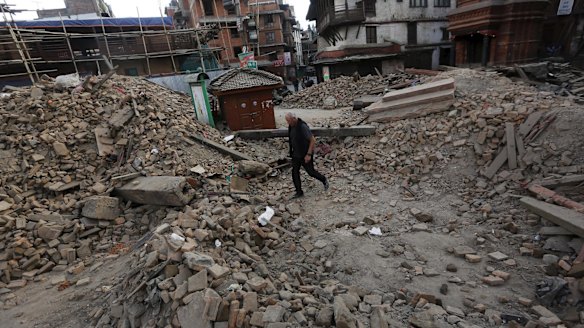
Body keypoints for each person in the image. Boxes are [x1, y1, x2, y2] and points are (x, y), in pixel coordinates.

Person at [286, 112, 329, 199]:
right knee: (295, 173)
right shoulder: (291, 126)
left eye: (289, 121)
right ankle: (299, 192)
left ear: (294, 119)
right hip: (296, 154)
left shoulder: (302, 127)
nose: (288, 123)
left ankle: (323, 179)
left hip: (305, 153)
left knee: (311, 172)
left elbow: (312, 140)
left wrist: (308, 154)